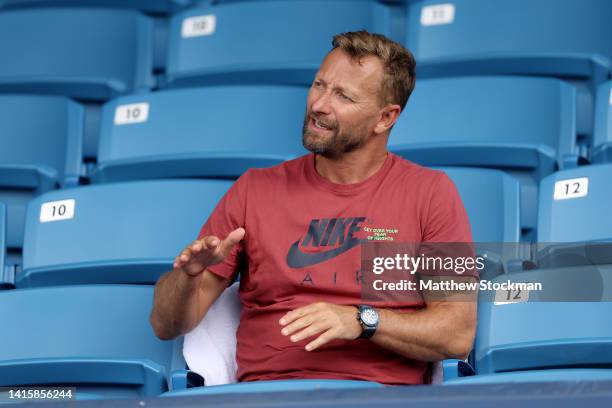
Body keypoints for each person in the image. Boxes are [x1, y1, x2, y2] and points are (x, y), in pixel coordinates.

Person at [150, 30, 476, 385]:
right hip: (263, 396)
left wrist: (361, 321)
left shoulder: (430, 193)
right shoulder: (254, 189)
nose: (319, 104)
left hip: (377, 396)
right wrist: (187, 277)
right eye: (319, 85)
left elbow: (456, 333)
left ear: (385, 118)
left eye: (343, 96)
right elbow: (165, 326)